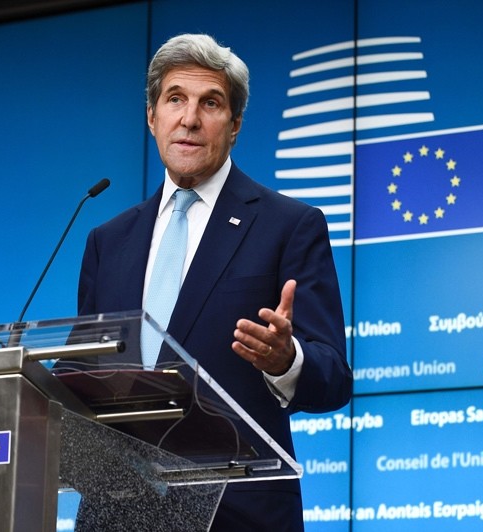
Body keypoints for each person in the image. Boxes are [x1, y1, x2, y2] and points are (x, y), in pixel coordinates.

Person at [77, 33, 352, 531]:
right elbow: (81, 375)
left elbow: (333, 377)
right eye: (175, 99)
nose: (190, 118)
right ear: (151, 117)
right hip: (116, 515)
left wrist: (285, 359)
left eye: (211, 103)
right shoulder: (107, 240)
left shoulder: (289, 225)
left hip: (236, 515)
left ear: (235, 125)